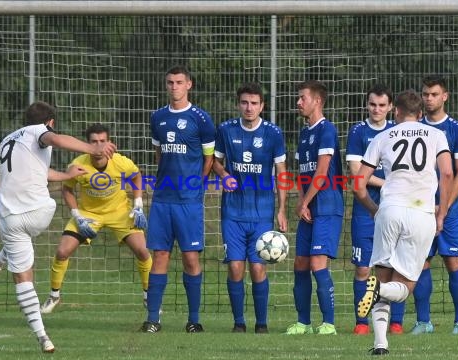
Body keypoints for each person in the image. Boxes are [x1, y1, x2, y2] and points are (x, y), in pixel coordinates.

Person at [0, 101, 116, 353]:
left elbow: (38, 172)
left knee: (23, 277)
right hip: (38, 213)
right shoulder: (38, 131)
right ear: (49, 122)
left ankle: (42, 336)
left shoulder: (7, 140)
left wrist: (67, 176)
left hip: (8, 216)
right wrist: (94, 148)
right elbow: (58, 140)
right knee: (48, 207)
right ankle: (0, 257)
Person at [354, 90, 453, 355]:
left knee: (381, 276)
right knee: (406, 286)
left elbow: (358, 185)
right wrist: (441, 212)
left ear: (395, 112)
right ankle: (381, 298)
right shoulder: (436, 135)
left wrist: (375, 210)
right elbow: (446, 172)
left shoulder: (381, 136)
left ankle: (380, 344)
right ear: (421, 114)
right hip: (421, 213)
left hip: (390, 210)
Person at [40, 123, 153, 314]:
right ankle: (54, 296)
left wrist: (138, 204)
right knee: (62, 252)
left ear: (109, 142)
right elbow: (67, 189)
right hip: (88, 214)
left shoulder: (121, 162)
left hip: (119, 212)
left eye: (102, 141)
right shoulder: (78, 164)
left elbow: (136, 177)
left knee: (143, 251)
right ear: (87, 143)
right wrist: (77, 215)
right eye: (94, 142)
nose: (99, 146)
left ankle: (149, 297)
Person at [140, 65, 215, 333]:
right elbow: (158, 153)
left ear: (189, 85)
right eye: (170, 82)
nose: (174, 87)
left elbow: (209, 159)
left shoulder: (201, 119)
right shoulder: (157, 117)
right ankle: (153, 319)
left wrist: (197, 184)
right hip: (163, 199)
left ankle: (194, 320)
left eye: (179, 82)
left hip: (189, 201)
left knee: (190, 258)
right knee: (159, 255)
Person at [213, 82, 288, 334]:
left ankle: (262, 323)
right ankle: (238, 323)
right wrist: (223, 174)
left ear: (262, 106)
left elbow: (281, 173)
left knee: (257, 267)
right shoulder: (225, 130)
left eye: (254, 103)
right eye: (244, 102)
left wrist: (281, 209)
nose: (249, 107)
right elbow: (216, 161)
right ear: (238, 104)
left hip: (262, 213)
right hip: (232, 212)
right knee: (235, 267)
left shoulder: (273, 133)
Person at [408, 75, 458, 335]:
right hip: (420, 207)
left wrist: (443, 208)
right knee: (421, 261)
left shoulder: (457, 130)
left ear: (445, 96)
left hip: (449, 210)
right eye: (425, 94)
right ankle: (424, 322)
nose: (429, 98)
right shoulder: (414, 129)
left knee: (452, 260)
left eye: (434, 94)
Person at [346, 84, 405, 335]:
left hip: (394, 209)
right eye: (372, 104)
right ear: (366, 105)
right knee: (362, 268)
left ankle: (396, 322)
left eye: (382, 105)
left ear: (391, 107)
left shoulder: (397, 132)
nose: (376, 109)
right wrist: (388, 182)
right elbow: (356, 174)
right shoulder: (358, 131)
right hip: (365, 209)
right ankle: (361, 322)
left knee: (395, 267)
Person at [285, 80, 343, 336]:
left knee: (318, 263)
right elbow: (303, 173)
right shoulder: (304, 133)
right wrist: (302, 201)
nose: (298, 102)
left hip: (327, 206)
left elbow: (321, 172)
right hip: (309, 206)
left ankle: (328, 323)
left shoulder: (326, 130)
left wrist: (304, 202)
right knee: (300, 263)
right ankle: (303, 322)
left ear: (317, 101)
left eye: (302, 98)